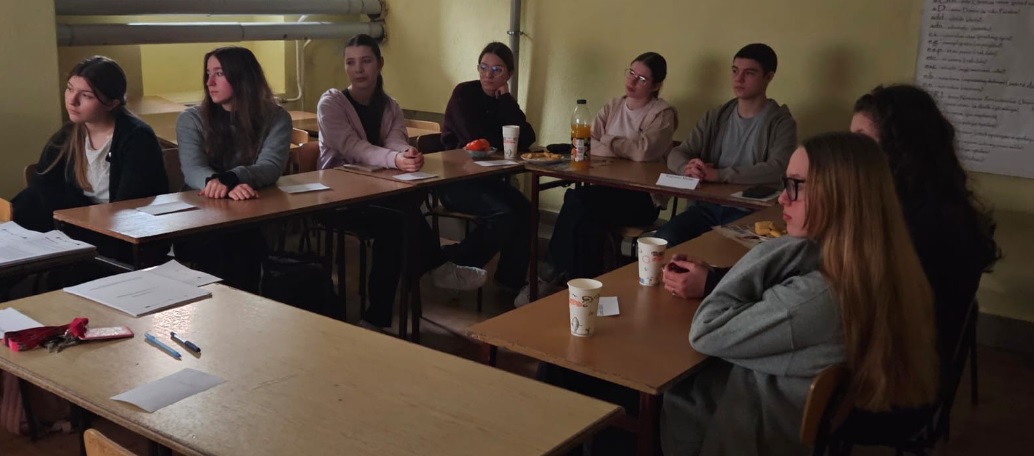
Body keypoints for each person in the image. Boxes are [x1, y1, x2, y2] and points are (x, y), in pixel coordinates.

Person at [660, 132, 939, 455]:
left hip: (739, 433)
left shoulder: (818, 297)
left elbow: (706, 330)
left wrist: (783, 246)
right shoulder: (874, 267)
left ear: (839, 196)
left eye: (795, 185)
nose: (782, 198)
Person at [835, 84, 999, 443]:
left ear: (900, 148)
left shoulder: (922, 226)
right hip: (909, 375)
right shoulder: (935, 206)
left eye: (862, 142)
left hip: (893, 394)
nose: (852, 155)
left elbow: (850, 303)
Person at [317, 34, 488, 332]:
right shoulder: (331, 103)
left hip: (379, 194)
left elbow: (395, 139)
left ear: (380, 64)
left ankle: (378, 316)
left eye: (366, 61)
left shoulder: (390, 105)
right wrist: (395, 159)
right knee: (398, 219)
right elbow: (352, 147)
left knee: (400, 215)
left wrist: (405, 152)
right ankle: (435, 267)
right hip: (338, 198)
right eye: (350, 62)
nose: (358, 69)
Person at [516, 51, 677, 306]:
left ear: (656, 85)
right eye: (631, 73)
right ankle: (586, 293)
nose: (632, 81)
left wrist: (608, 141)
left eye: (642, 79)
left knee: (577, 201)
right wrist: (623, 146)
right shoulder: (613, 106)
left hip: (641, 199)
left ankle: (550, 274)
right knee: (586, 221)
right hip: (604, 191)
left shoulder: (662, 114)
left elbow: (644, 152)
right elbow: (588, 145)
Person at [13, 56, 168, 260]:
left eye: (86, 95)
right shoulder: (69, 133)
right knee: (28, 202)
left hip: (120, 236)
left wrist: (72, 219)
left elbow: (127, 207)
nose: (72, 101)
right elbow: (42, 183)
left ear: (112, 103)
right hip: (77, 225)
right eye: (70, 89)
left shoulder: (136, 137)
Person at [174, 46, 292, 292]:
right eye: (208, 73)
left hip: (250, 212)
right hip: (200, 214)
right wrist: (222, 184)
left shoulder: (276, 117)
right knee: (226, 245)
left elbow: (270, 166)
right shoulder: (191, 119)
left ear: (241, 77)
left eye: (219, 73)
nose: (209, 82)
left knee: (243, 242)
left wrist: (233, 177)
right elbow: (193, 169)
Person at [655, 43, 797, 246]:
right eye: (735, 71)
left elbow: (778, 168)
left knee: (723, 252)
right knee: (662, 240)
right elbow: (677, 153)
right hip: (707, 207)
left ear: (768, 77)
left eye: (749, 73)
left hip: (751, 212)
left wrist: (719, 175)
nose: (739, 79)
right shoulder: (716, 116)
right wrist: (688, 168)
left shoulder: (781, 122)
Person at [438, 41, 534, 295]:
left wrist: (506, 102)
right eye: (483, 67)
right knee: (505, 214)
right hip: (455, 181)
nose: (488, 75)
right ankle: (452, 261)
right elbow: (477, 140)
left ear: (509, 74)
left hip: (488, 179)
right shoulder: (464, 94)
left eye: (496, 69)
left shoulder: (503, 100)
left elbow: (526, 137)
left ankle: (509, 281)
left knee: (526, 211)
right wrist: (503, 138)